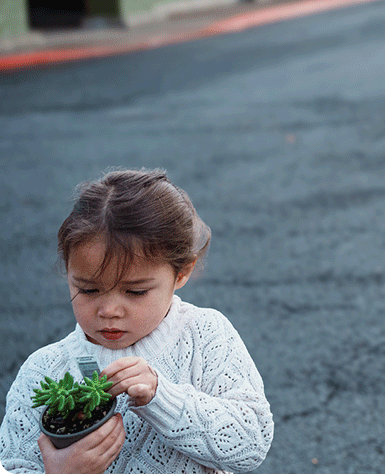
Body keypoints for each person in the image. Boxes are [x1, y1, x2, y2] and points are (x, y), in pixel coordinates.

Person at [0, 169, 273, 474]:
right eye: (88, 289)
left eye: (135, 291)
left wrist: (161, 396)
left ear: (181, 273)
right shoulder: (44, 370)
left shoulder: (204, 335)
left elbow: (252, 443)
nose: (110, 310)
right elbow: (15, 463)